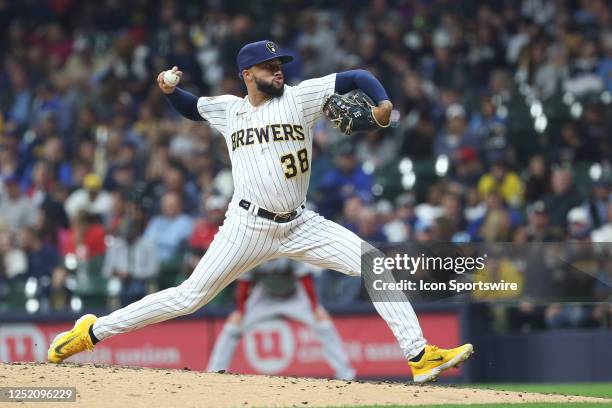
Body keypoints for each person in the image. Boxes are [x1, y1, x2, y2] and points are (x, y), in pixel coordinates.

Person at [48, 40, 472, 383]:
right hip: (247, 225)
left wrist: (380, 105)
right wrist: (169, 89)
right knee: (187, 297)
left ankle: (418, 355)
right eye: (269, 66)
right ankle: (92, 332)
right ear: (247, 75)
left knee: (372, 263)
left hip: (300, 223)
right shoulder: (230, 110)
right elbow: (191, 107)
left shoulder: (300, 97)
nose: (278, 70)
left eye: (279, 63)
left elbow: (356, 77)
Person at [207, 258, 355, 380]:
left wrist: (315, 307)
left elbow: (305, 279)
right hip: (265, 296)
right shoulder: (252, 250)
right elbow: (244, 283)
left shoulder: (289, 247)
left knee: (323, 323)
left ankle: (346, 375)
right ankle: (214, 373)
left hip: (294, 295)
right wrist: (240, 311)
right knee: (233, 326)